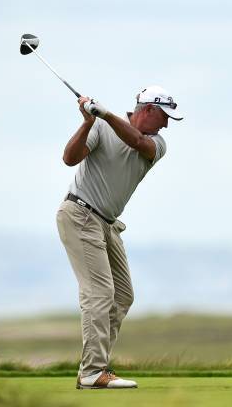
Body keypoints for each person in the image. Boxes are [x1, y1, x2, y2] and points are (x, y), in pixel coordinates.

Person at [56, 85, 183, 389]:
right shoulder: (100, 126)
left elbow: (136, 140)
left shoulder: (157, 143)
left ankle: (96, 367)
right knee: (99, 293)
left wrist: (105, 113)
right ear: (149, 109)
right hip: (80, 213)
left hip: (107, 224)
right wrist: (88, 121)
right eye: (164, 116)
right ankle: (92, 372)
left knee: (123, 296)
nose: (167, 124)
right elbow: (69, 159)